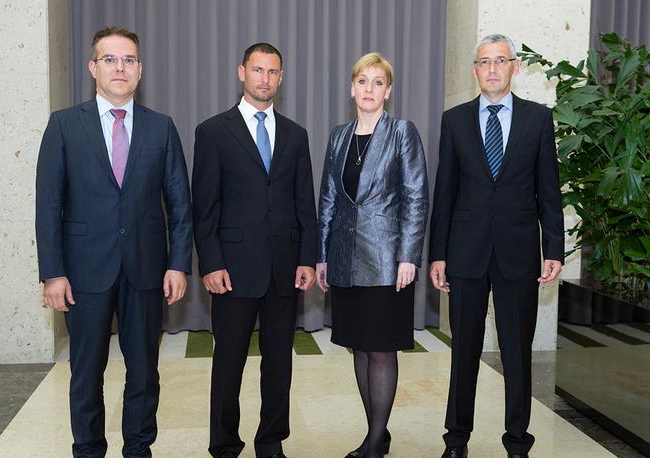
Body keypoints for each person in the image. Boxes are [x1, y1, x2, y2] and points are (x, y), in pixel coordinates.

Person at [35, 26, 193, 457]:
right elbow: (48, 205)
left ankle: (138, 448)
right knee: (86, 372)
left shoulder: (162, 128)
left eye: (128, 60)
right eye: (110, 59)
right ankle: (87, 449)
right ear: (93, 67)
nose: (119, 68)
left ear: (140, 70)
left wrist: (178, 263)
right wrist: (53, 273)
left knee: (144, 371)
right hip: (83, 272)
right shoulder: (64, 125)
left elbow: (180, 203)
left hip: (145, 270)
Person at [428, 34, 564, 458]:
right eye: (484, 61)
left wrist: (554, 248)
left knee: (516, 355)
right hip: (466, 255)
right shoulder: (454, 120)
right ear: (474, 70)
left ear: (514, 67)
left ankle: (518, 442)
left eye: (499, 60)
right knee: (463, 354)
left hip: (519, 254)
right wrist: (438, 253)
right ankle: (456, 441)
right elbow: (444, 192)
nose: (491, 68)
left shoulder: (537, 119)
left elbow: (549, 191)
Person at [192, 42, 317, 458]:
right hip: (232, 269)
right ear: (241, 72)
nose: (266, 78)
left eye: (273, 72)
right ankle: (224, 443)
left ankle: (271, 442)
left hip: (285, 268)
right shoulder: (212, 132)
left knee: (279, 363)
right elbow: (204, 207)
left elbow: (305, 204)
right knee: (228, 363)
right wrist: (210, 263)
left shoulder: (296, 135)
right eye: (258, 70)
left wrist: (306, 258)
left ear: (281, 78)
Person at [316, 52, 428, 458]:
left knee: (381, 349)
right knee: (359, 348)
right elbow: (328, 198)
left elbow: (416, 198)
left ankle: (374, 442)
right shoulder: (338, 135)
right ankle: (376, 434)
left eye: (378, 82)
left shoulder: (402, 132)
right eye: (363, 81)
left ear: (388, 90)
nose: (369, 89)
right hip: (345, 260)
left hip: (386, 261)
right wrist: (322, 255)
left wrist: (408, 256)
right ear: (352, 88)